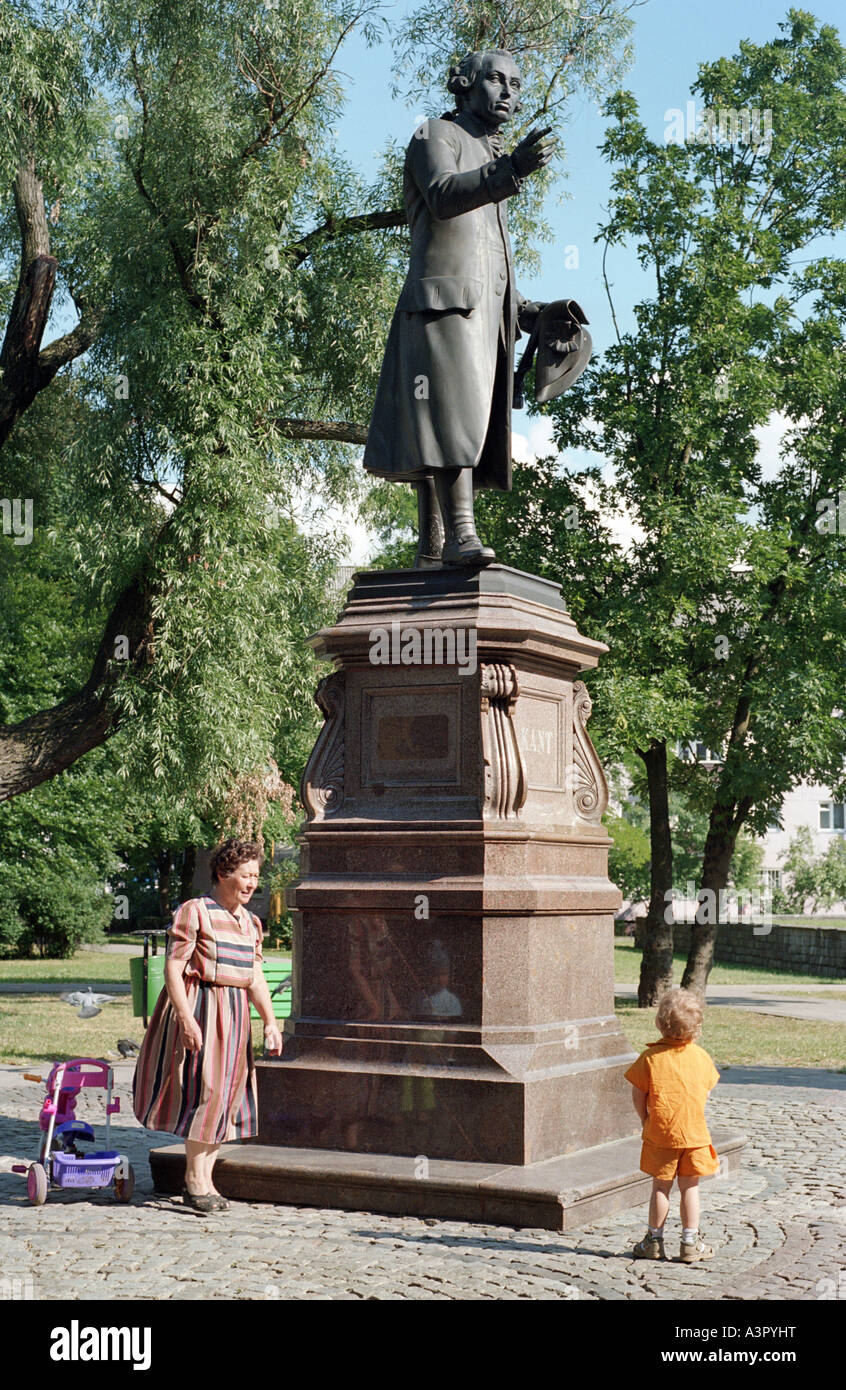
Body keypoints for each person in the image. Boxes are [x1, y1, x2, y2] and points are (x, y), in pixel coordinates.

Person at [362, 49, 557, 567]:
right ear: (465, 84)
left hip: (481, 312)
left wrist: (526, 309)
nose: (509, 92)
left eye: (517, 83)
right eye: (497, 79)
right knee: (448, 419)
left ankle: (434, 551)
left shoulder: (490, 162)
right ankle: (460, 536)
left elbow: (485, 255)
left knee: (458, 419)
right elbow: (445, 197)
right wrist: (510, 168)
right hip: (442, 307)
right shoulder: (435, 135)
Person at [132, 838, 283, 1213]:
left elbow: (254, 976)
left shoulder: (251, 922)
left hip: (234, 1013)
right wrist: (185, 1018)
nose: (252, 883)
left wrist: (270, 1021)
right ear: (223, 873)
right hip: (202, 1007)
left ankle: (207, 1180)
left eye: (255, 877)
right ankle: (194, 1181)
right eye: (245, 875)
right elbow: (173, 967)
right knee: (207, 1092)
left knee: (228, 1095)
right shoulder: (194, 911)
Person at [624, 987, 720, 1262]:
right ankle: (690, 1242)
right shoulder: (701, 1057)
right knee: (690, 1187)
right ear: (696, 1028)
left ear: (659, 1023)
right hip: (695, 1134)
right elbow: (705, 1091)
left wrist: (646, 1120)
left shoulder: (650, 1059)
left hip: (661, 1134)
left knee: (660, 1187)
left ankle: (654, 1240)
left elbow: (638, 1094)